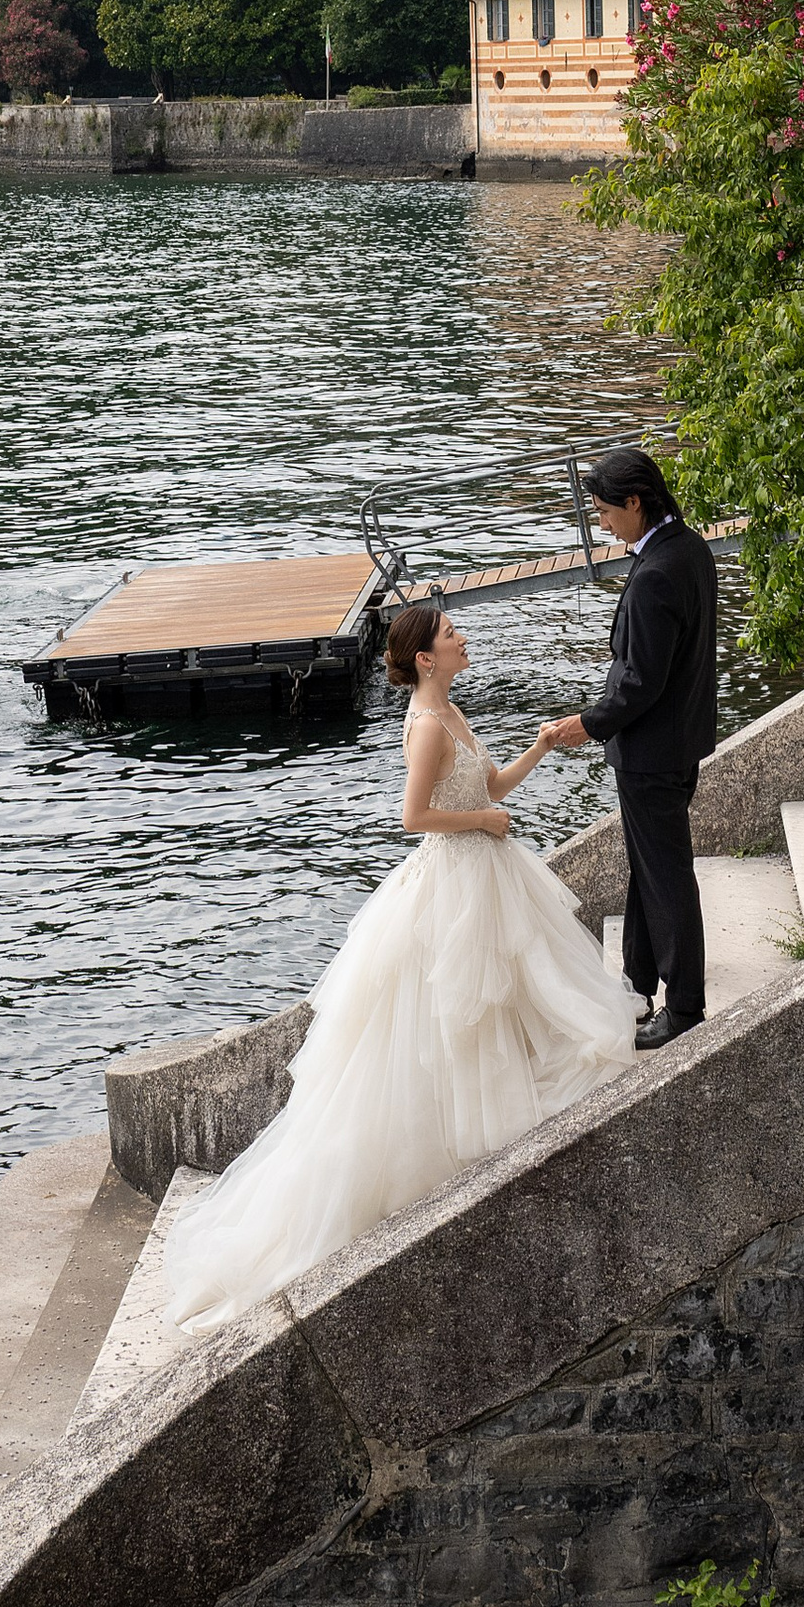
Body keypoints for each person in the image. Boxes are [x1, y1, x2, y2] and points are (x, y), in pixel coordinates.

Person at [160, 599, 632, 1333]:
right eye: (451, 634)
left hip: (485, 872)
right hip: (454, 884)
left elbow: (490, 787)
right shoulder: (423, 725)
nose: (462, 637)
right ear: (425, 658)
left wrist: (539, 748)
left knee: (503, 1005)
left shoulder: (451, 711)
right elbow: (415, 818)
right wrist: (480, 822)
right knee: (450, 1018)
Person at [540, 444, 719, 1048]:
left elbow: (641, 679)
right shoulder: (690, 549)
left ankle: (685, 1007)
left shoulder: (655, 576)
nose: (602, 523)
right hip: (679, 741)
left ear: (636, 502)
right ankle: (637, 984)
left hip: (652, 750)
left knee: (665, 877)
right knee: (646, 870)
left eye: (605, 511)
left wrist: (587, 724)